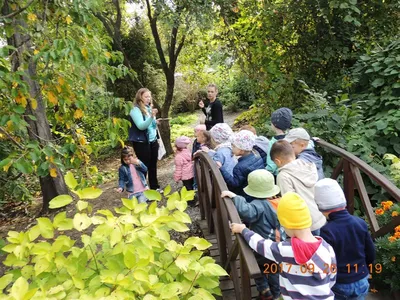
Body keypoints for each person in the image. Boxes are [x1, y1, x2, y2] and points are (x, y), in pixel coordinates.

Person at [230, 192, 337, 300]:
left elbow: (261, 245)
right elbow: (332, 278)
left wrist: (243, 230)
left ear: (288, 226)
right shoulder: (328, 249)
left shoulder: (286, 250)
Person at [221, 169, 284, 300]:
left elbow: (246, 212)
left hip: (262, 245)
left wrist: (236, 197)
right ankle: (277, 293)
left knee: (259, 267)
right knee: (273, 270)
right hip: (278, 245)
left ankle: (264, 289)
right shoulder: (280, 202)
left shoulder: (258, 205)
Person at [314, 178, 376, 300]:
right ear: (344, 202)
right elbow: (371, 252)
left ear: (321, 208)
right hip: (362, 278)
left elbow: (326, 261)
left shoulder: (327, 231)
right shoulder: (359, 223)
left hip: (341, 282)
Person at [270, 140, 326, 234]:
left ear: (278, 161)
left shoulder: (283, 176)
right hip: (320, 215)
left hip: (304, 223)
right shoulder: (307, 165)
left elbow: (289, 202)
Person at [129, 88, 160, 191]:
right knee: (143, 167)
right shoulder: (135, 110)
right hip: (142, 143)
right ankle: (141, 190)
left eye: (149, 96)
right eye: (146, 96)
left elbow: (150, 124)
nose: (148, 98)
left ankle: (154, 188)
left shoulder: (148, 108)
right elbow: (141, 126)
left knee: (153, 165)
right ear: (140, 97)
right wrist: (151, 117)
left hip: (153, 140)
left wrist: (155, 121)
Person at [220, 130, 264, 200]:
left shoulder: (240, 167)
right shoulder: (256, 155)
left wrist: (221, 169)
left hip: (245, 196)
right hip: (256, 191)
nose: (232, 147)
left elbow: (234, 184)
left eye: (234, 146)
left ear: (241, 151)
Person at [266, 107, 292, 176]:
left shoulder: (273, 142)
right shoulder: (291, 138)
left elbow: (271, 165)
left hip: (279, 175)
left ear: (274, 124)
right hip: (291, 172)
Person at [174, 136, 195, 205]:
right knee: (192, 186)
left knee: (188, 188)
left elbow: (178, 170)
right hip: (192, 173)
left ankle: (191, 202)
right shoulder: (188, 152)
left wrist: (176, 178)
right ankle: (194, 198)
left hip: (185, 176)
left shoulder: (178, 157)